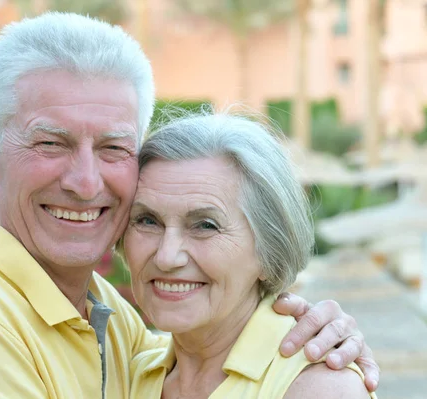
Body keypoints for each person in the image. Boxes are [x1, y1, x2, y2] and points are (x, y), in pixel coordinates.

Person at [0, 12, 378, 399]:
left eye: (113, 148)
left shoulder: (120, 332)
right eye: (51, 144)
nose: (86, 182)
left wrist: (323, 342)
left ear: (270, 248)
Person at [125, 112, 377, 398]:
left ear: (269, 249)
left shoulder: (318, 387)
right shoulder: (131, 369)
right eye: (147, 220)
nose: (166, 257)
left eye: (205, 225)